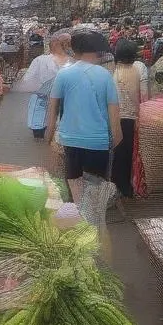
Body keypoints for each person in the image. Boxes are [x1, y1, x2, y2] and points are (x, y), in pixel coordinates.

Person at [45, 30, 121, 202]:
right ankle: (93, 220)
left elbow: (53, 110)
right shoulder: (106, 76)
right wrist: (114, 141)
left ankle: (81, 217)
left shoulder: (63, 74)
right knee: (95, 193)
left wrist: (48, 137)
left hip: (70, 141)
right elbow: (114, 115)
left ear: (74, 49)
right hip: (99, 142)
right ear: (97, 50)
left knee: (76, 188)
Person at [112, 38, 149, 199]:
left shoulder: (113, 71)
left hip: (116, 117)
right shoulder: (139, 68)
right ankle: (131, 185)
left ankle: (118, 184)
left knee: (118, 152)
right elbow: (145, 96)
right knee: (133, 153)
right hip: (135, 117)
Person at [18, 32, 71, 139]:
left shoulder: (39, 60)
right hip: (62, 102)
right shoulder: (72, 62)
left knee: (39, 127)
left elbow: (28, 79)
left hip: (42, 98)